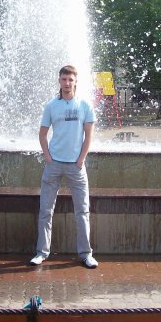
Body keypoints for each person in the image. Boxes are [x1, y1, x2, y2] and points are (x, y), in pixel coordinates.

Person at [29, 65, 98, 269]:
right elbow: (42, 134)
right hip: (54, 165)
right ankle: (41, 252)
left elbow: (89, 136)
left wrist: (81, 159)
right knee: (45, 210)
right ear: (59, 81)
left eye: (70, 80)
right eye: (64, 79)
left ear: (75, 82)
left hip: (76, 166)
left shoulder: (85, 105)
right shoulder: (51, 106)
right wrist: (48, 157)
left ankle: (86, 254)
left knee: (82, 212)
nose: (67, 83)